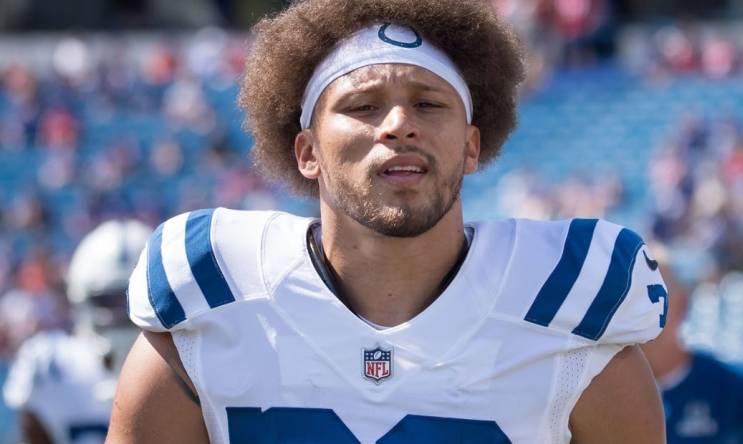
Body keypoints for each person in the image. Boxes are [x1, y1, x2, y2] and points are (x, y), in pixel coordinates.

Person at [108, 1, 669, 442]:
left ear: (472, 146)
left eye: (429, 104)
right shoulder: (212, 300)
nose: (399, 124)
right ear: (307, 151)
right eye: (363, 106)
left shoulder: (568, 313)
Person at [3, 219, 152, 444]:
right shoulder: (51, 365)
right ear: (81, 297)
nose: (123, 314)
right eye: (109, 301)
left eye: (136, 300)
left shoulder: (190, 361)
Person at [642, 246, 743, 444]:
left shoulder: (738, 389)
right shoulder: (602, 393)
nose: (639, 314)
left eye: (652, 297)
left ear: (682, 304)